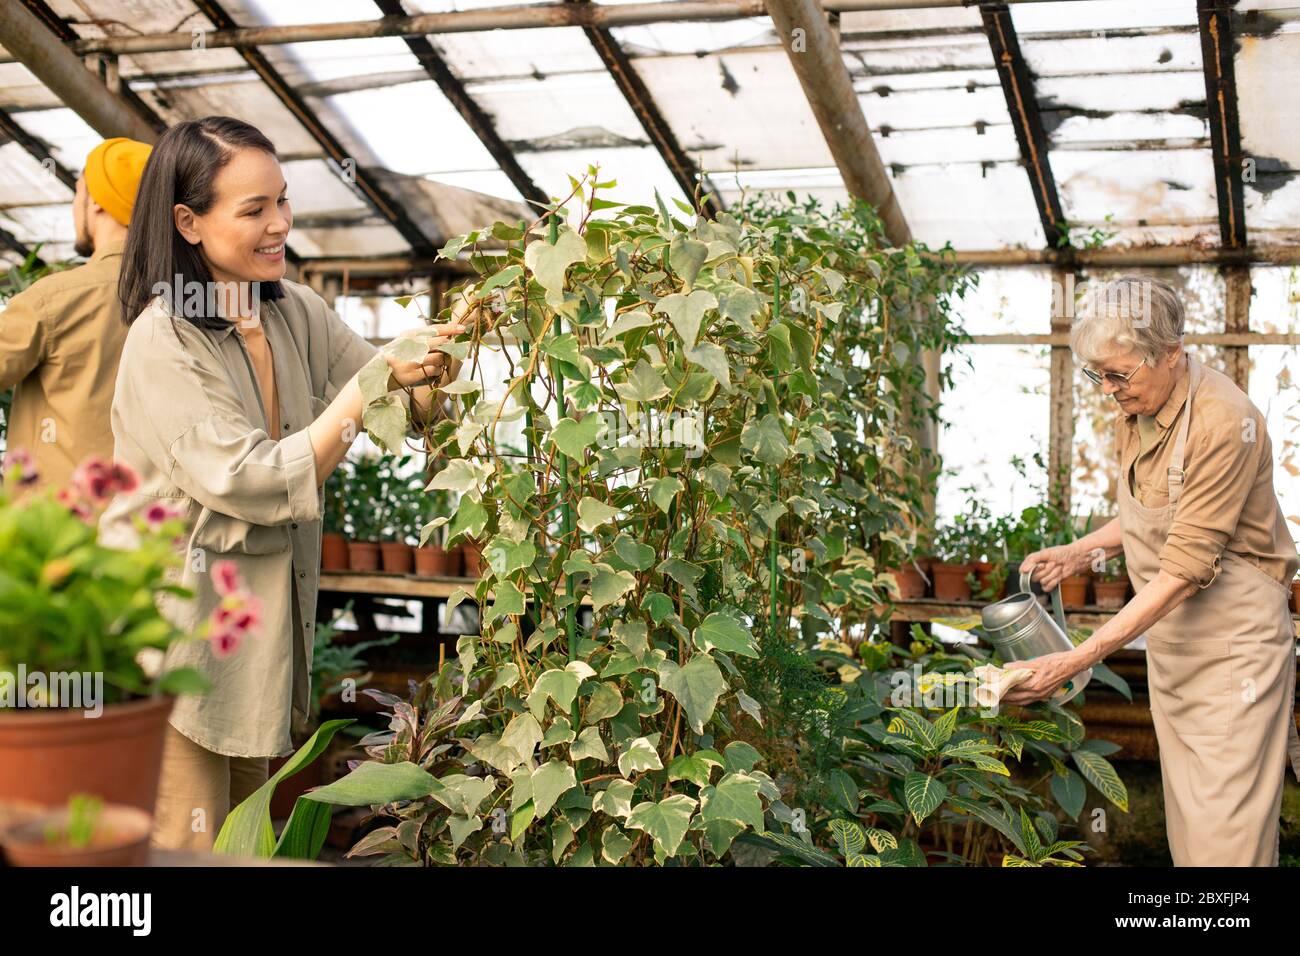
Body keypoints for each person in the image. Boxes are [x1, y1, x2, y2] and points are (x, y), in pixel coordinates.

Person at [98, 116, 464, 850]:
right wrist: (362, 395)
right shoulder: (164, 339)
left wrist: (432, 365)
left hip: (253, 650)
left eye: (283, 202)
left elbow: (394, 392)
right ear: (188, 222)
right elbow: (247, 478)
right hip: (177, 651)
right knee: (187, 849)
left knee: (242, 845)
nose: (280, 226)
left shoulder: (292, 310)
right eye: (254, 209)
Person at [1009, 275, 1300, 866]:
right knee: (1190, 830)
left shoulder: (1224, 422)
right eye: (1100, 375)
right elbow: (1156, 514)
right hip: (1176, 644)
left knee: (1228, 836)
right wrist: (1079, 553)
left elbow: (1187, 566)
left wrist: (1076, 658)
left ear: (1173, 353)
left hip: (1232, 649)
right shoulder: (1140, 403)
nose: (1109, 390)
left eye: (1120, 374)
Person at [0, 138, 152, 491]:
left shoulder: (55, 299)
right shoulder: (191, 301)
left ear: (97, 201)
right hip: (150, 532)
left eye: (79, 192)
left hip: (54, 531)